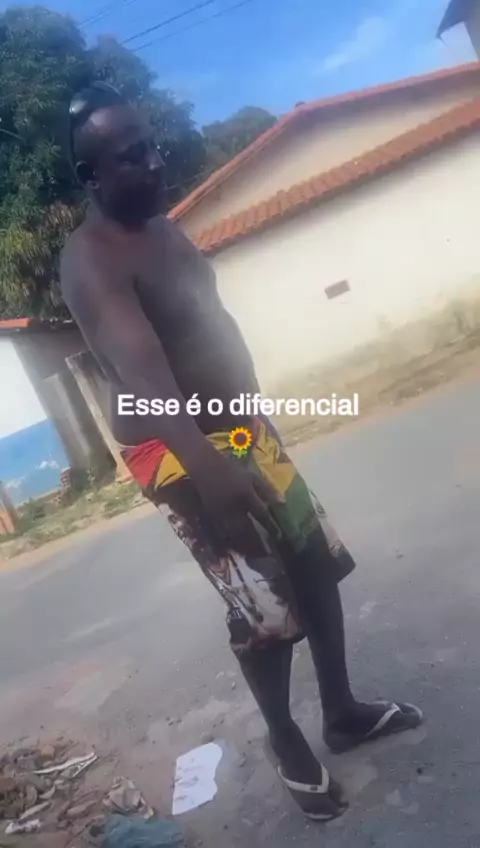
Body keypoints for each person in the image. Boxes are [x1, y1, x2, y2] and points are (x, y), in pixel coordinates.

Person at [61, 82, 423, 821]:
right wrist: (211, 471)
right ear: (91, 176)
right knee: (263, 599)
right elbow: (143, 373)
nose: (154, 163)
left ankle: (342, 713)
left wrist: (252, 420)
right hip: (176, 448)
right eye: (130, 156)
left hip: (240, 430)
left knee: (313, 559)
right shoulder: (91, 258)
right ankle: (285, 740)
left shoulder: (161, 226)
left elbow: (205, 323)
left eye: (152, 146)